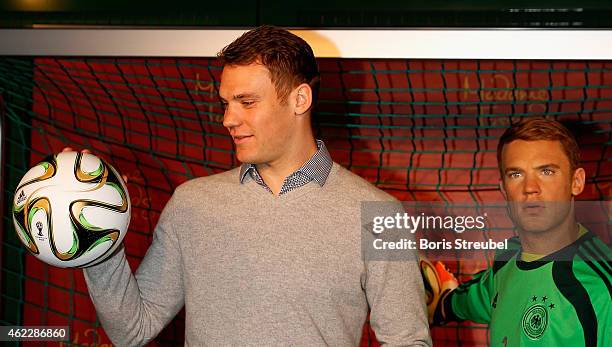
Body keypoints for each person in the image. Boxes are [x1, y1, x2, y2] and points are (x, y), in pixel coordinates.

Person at [82, 25, 431, 346]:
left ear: (300, 99)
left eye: (247, 102)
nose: (228, 119)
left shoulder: (383, 216)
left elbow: (407, 340)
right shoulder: (191, 203)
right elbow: (133, 330)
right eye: (225, 103)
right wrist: (95, 243)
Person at [424, 118, 610, 346]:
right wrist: (442, 305)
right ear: (504, 188)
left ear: (576, 181)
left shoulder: (597, 291)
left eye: (547, 171)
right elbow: (477, 297)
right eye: (516, 174)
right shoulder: (507, 259)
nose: (530, 188)